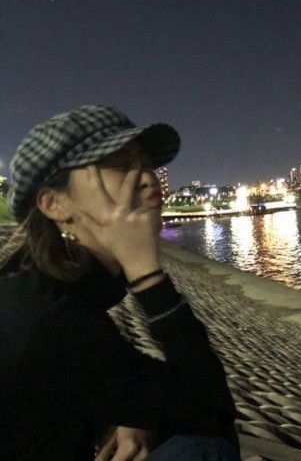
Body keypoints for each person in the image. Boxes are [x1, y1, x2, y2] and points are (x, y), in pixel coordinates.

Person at [0, 104, 241, 460]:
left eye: (144, 163)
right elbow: (211, 409)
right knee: (204, 450)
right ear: (54, 204)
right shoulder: (53, 316)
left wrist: (124, 416)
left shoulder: (47, 287)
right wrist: (146, 275)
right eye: (118, 164)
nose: (147, 177)